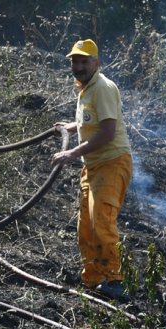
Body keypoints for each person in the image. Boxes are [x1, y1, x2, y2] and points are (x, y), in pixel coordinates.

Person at [51, 38, 133, 302]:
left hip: (112, 163)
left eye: (84, 61)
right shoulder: (85, 88)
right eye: (75, 61)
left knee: (101, 221)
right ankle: (94, 278)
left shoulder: (103, 87)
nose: (78, 66)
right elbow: (92, 121)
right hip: (93, 166)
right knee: (85, 226)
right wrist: (72, 126)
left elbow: (108, 132)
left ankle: (114, 280)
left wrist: (72, 152)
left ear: (97, 63)